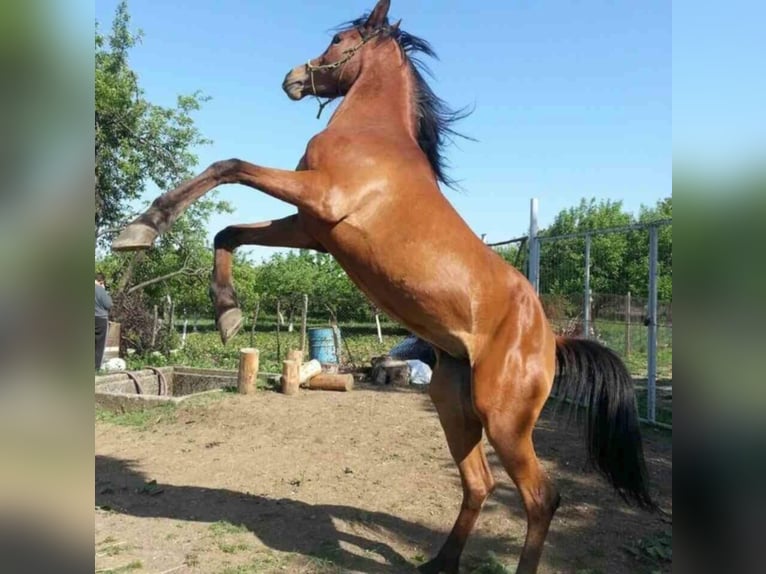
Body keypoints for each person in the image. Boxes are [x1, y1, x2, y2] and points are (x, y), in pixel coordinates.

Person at [95, 272, 113, 370]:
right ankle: (96, 368)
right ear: (101, 281)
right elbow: (109, 304)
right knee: (99, 345)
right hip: (100, 319)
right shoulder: (101, 290)